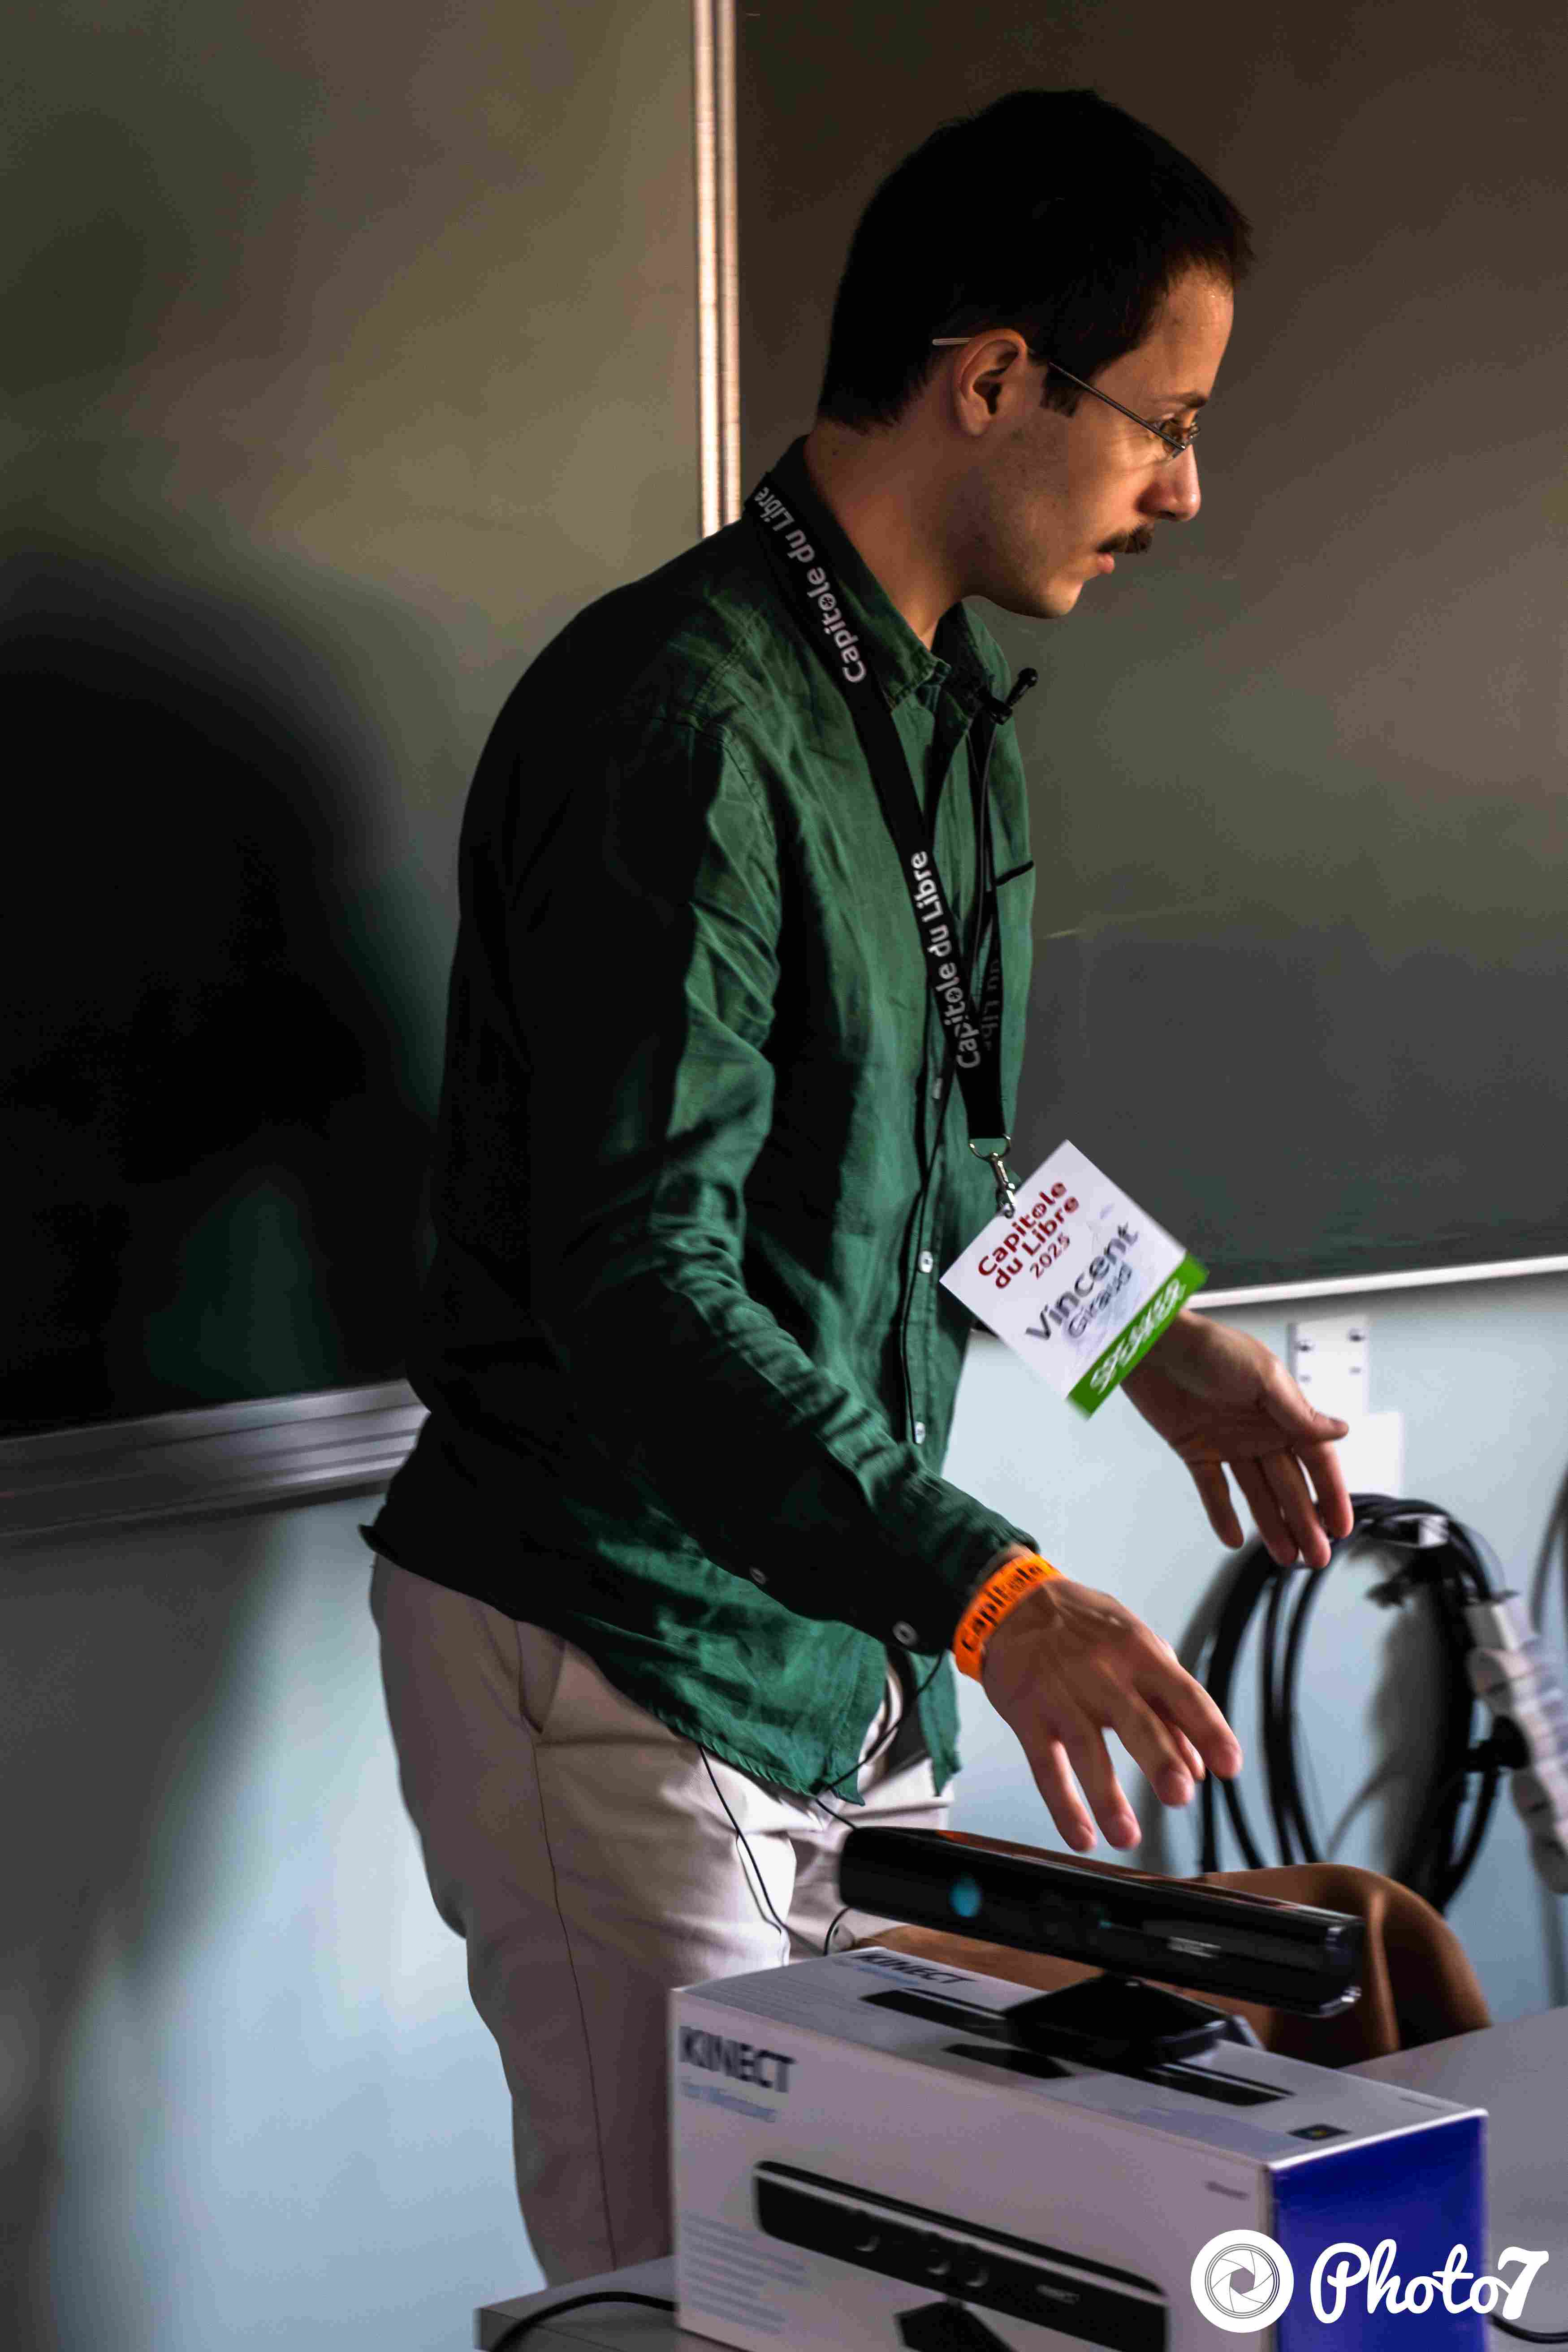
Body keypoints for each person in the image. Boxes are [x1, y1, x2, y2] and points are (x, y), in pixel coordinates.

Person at [364, 86, 1354, 2284]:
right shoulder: (684, 723)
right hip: (620, 1646)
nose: (1185, 490)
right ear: (991, 378)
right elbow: (640, 1280)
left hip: (831, 1656)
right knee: (688, 2304)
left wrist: (1148, 1341)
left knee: (867, 2282)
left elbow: (933, 1158)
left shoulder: (940, 719)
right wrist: (997, 1595)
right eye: (1163, 423)